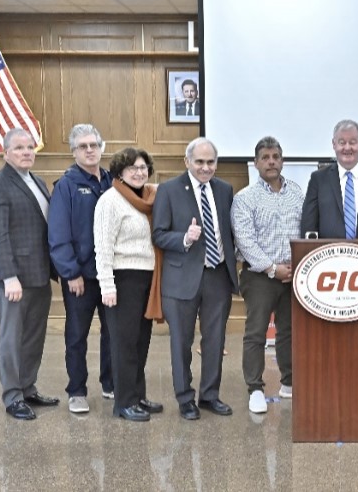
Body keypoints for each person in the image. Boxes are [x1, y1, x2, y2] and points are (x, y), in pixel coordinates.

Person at [152, 138, 240, 420]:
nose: (205, 167)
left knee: (215, 340)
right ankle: (185, 398)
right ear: (187, 161)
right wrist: (185, 239)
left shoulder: (224, 189)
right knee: (182, 342)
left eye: (210, 162)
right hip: (181, 278)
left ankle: (210, 395)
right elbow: (159, 234)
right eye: (199, 162)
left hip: (217, 275)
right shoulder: (168, 190)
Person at [0, 128, 59, 421]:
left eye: (30, 147)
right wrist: (8, 276)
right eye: (19, 148)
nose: (26, 152)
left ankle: (28, 387)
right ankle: (12, 396)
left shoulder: (36, 181)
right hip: (15, 279)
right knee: (11, 339)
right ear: (5, 154)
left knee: (34, 336)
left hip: (39, 273)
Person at [231, 137, 303, 415]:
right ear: (256, 163)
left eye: (275, 157)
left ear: (282, 160)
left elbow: (307, 230)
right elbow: (245, 240)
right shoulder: (245, 198)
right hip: (259, 275)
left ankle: (289, 382)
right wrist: (272, 268)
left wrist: (295, 265)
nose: (271, 162)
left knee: (289, 330)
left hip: (292, 274)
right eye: (265, 157)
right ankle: (255, 389)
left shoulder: (297, 192)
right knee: (256, 332)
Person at [94, 147, 166, 422]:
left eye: (143, 167)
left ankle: (138, 395)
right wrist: (107, 286)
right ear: (120, 173)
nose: (139, 172)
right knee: (124, 344)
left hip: (148, 278)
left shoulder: (150, 197)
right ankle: (124, 402)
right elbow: (103, 247)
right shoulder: (109, 201)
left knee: (140, 342)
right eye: (132, 168)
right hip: (122, 279)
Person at [48, 124, 113, 414]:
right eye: (83, 146)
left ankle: (111, 384)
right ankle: (76, 391)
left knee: (113, 333)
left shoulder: (112, 181)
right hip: (80, 277)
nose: (89, 150)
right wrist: (70, 272)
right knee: (76, 336)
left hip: (110, 275)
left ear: (101, 148)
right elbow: (58, 232)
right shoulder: (66, 185)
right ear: (73, 152)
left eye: (94, 145)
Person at [300, 119, 358, 240]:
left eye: (352, 142)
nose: (347, 147)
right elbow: (308, 226)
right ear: (334, 144)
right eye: (342, 142)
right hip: (327, 251)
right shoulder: (318, 180)